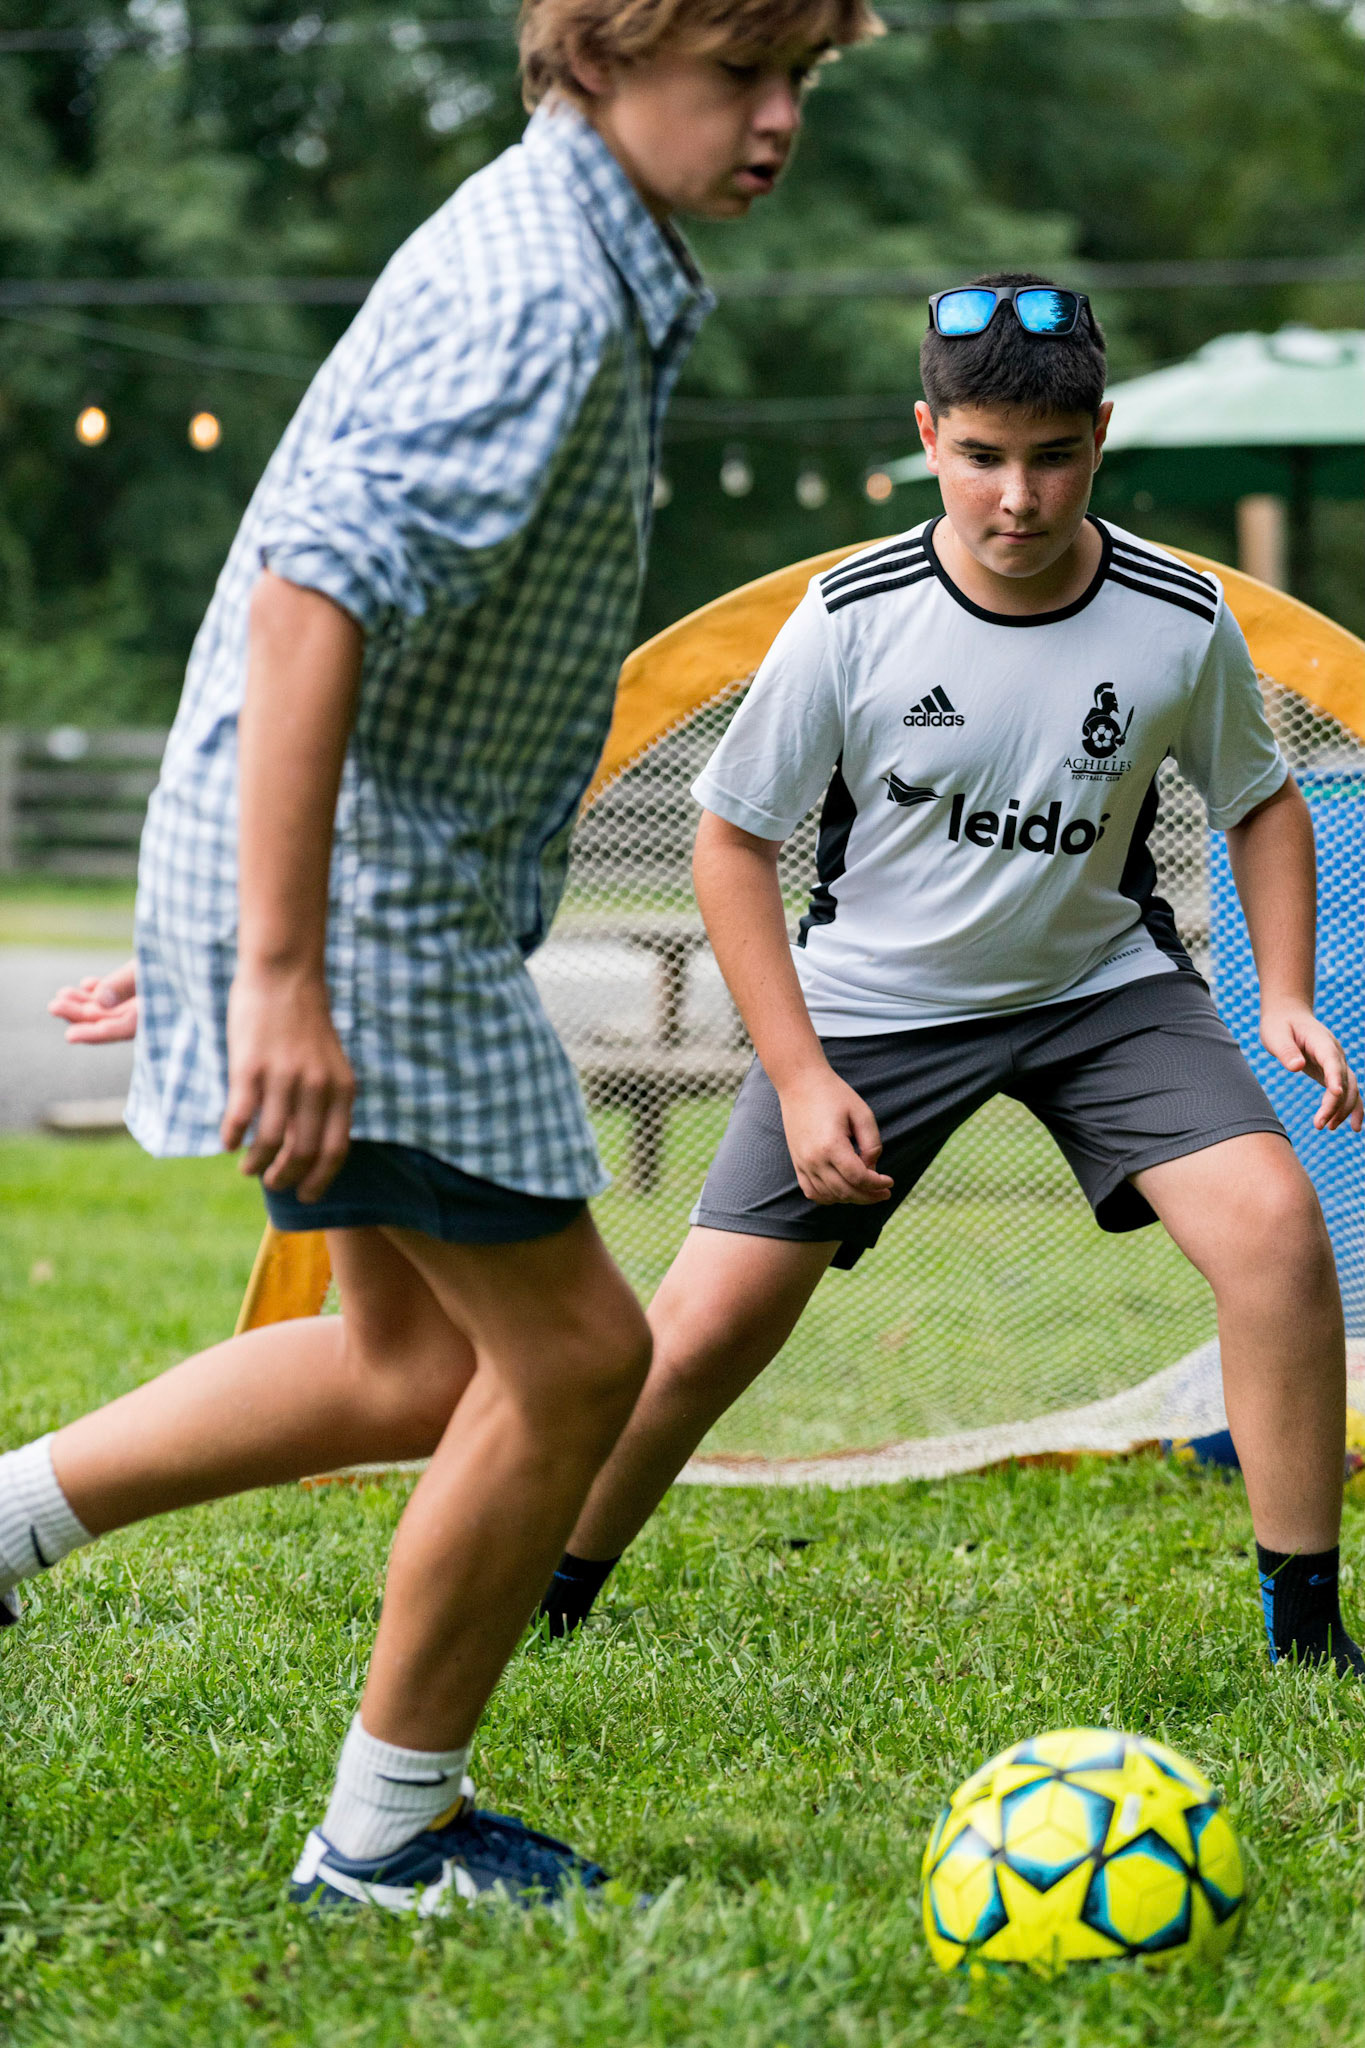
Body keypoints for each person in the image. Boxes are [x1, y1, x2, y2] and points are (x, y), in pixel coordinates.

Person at [16, 0, 881, 1914]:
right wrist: (274, 967)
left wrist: (238, 917)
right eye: (739, 73)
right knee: (580, 1353)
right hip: (367, 901)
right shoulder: (543, 294)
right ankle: (386, 1840)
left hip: (342, 873)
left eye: (799, 80)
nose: (776, 119)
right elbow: (316, 589)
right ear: (603, 52)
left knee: (410, 1359)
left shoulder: (572, 248)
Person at [541, 272, 1365, 1678]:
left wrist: (1283, 991)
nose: (1018, 498)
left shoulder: (1179, 615)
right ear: (929, 436)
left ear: (1098, 437)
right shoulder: (848, 617)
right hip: (870, 1010)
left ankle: (1305, 1633)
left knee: (1276, 1232)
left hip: (1101, 994)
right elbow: (730, 844)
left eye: (1052, 460)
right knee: (698, 1332)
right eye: (981, 457)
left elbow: (1261, 800)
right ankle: (544, 1591)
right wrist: (800, 1081)